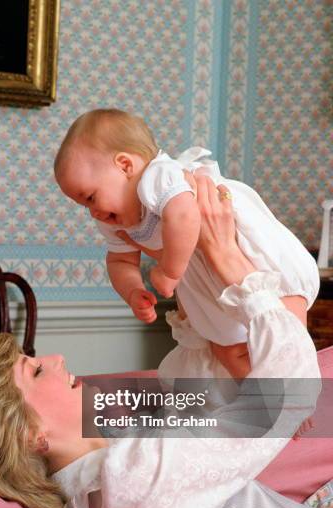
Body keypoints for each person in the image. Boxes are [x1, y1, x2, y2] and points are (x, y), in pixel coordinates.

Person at [0, 182, 332, 508]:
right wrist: (235, 270)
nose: (59, 358)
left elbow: (194, 397)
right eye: (38, 369)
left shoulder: (109, 476)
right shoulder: (133, 482)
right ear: (32, 434)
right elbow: (285, 397)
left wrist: (198, 307)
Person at [54, 108, 320, 379]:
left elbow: (183, 216)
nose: (93, 213)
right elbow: (119, 260)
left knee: (282, 307)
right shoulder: (114, 219)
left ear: (125, 166)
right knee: (226, 342)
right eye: (82, 205)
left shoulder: (157, 177)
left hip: (241, 245)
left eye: (90, 197)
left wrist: (169, 271)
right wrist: (133, 291)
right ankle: (267, 403)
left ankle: (295, 384)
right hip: (200, 270)